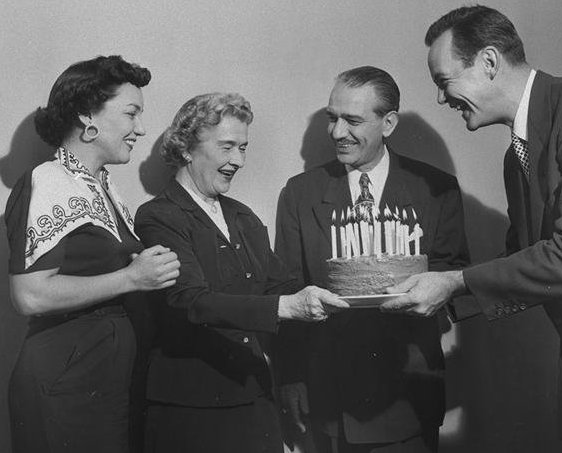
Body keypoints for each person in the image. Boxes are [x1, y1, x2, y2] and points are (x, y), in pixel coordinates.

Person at [383, 5, 562, 452]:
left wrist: (452, 280)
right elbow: (524, 261)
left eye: (443, 81)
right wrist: (441, 298)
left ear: (489, 62)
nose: (440, 99)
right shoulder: (517, 157)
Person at [133, 92, 348, 453]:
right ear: (186, 148)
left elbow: (284, 286)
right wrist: (288, 307)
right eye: (227, 146)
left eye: (243, 148)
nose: (239, 160)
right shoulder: (159, 216)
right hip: (191, 412)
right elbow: (190, 301)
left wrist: (350, 289)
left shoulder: (243, 218)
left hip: (254, 400)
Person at [275, 66, 469, 453]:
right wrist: (291, 379)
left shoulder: (435, 190)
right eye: (333, 118)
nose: (336, 133)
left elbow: (453, 278)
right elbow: (287, 290)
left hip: (407, 395)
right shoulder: (301, 194)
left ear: (389, 123)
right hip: (332, 396)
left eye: (353, 120)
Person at [5, 55, 181, 453]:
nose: (141, 128)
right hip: (64, 382)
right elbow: (29, 295)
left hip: (100, 378)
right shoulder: (47, 181)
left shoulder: (99, 186)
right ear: (88, 116)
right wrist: (131, 278)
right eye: (131, 113)